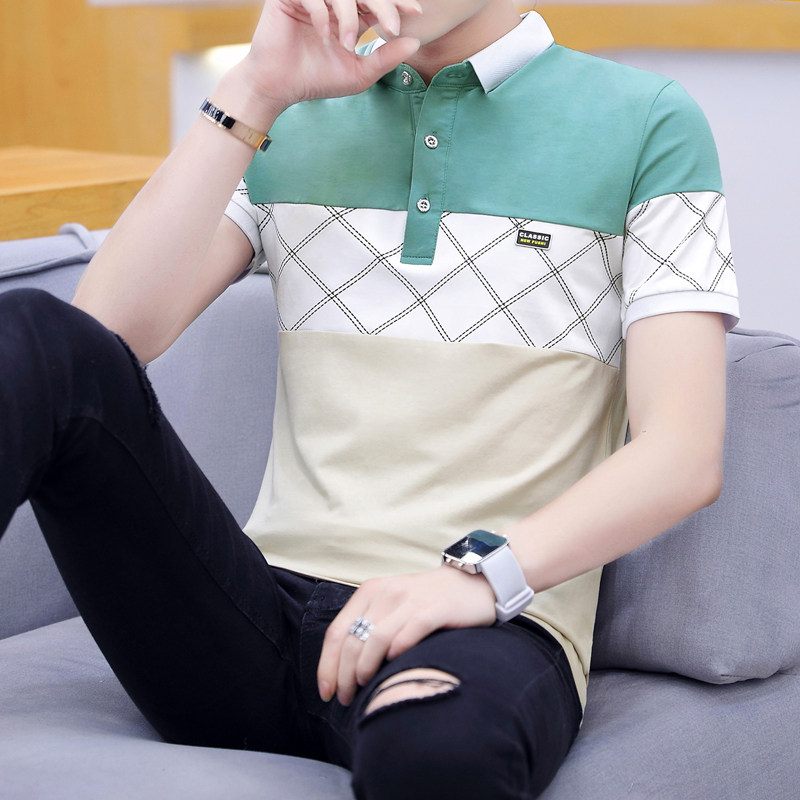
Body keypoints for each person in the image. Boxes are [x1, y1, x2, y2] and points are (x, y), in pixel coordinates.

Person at [0, 0, 740, 797]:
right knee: (36, 331)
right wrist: (256, 87)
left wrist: (476, 580)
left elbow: (681, 454)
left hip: (476, 624)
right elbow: (100, 345)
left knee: (439, 753)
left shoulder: (646, 122)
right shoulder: (290, 114)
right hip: (247, 618)